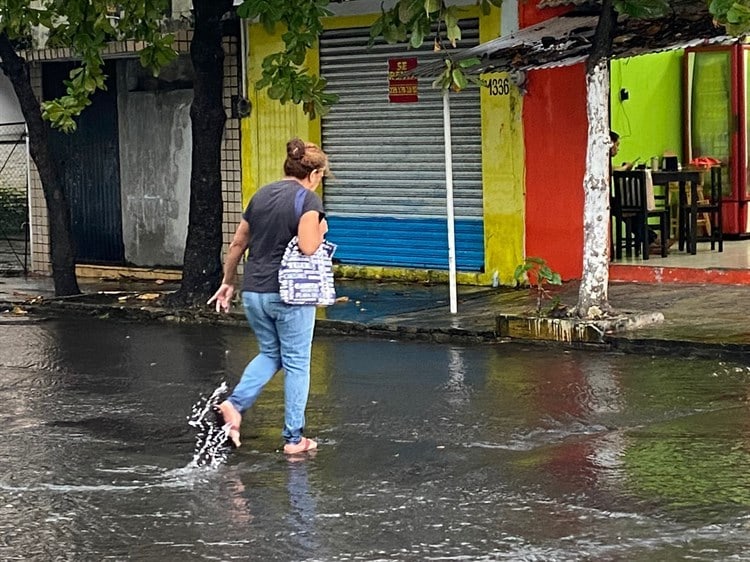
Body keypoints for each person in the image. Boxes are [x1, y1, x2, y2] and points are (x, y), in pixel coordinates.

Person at [207, 137, 330, 455]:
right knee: (297, 364)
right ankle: (294, 439)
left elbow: (237, 244)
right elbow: (308, 246)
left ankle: (234, 406)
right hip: (289, 295)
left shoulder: (261, 195)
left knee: (272, 354)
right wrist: (321, 229)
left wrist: (227, 281)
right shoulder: (307, 201)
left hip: (254, 293)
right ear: (314, 174)